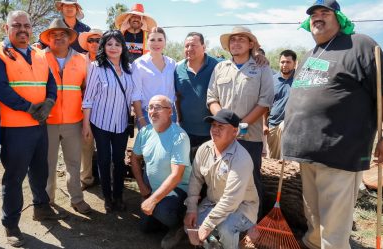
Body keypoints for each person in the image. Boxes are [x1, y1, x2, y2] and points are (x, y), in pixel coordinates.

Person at [282, 0, 383, 248]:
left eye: (324, 13)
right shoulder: (310, 55)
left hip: (340, 151)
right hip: (307, 153)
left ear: (338, 18)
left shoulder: (361, 45)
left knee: (334, 224)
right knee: (313, 215)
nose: (317, 17)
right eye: (313, 14)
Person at [0, 10, 61, 247]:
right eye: (16, 25)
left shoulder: (39, 53)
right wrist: (29, 107)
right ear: (6, 29)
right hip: (15, 128)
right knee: (14, 178)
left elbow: (51, 83)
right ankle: (11, 225)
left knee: (40, 170)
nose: (23, 30)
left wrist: (49, 102)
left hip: (39, 125)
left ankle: (41, 207)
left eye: (27, 25)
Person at [207, 26, 274, 214]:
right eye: (232, 40)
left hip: (249, 138)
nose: (235, 43)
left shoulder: (261, 67)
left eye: (241, 40)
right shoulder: (220, 67)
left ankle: (252, 224)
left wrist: (239, 126)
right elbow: (212, 98)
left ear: (251, 44)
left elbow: (265, 101)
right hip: (222, 136)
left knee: (251, 179)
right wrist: (223, 124)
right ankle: (222, 218)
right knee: (222, 177)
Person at [82, 30, 142, 213]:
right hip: (100, 122)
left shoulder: (130, 70)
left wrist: (141, 118)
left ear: (123, 47)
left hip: (122, 123)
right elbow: (88, 97)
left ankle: (118, 195)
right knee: (104, 160)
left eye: (117, 44)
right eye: (109, 44)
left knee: (119, 160)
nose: (113, 48)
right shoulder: (96, 67)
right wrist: (86, 125)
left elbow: (135, 95)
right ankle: (107, 197)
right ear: (104, 46)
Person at [184, 109, 259, 249]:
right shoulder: (204, 149)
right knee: (190, 225)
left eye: (221, 126)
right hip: (213, 203)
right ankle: (215, 245)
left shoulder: (241, 158)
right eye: (213, 125)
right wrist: (191, 209)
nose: (215, 130)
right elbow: (195, 179)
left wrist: (207, 225)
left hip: (242, 207)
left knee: (225, 227)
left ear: (234, 132)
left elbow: (231, 200)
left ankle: (241, 237)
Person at [40, 18, 91, 214]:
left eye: (63, 35)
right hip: (48, 121)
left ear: (70, 38)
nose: (59, 38)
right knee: (48, 163)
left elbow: (87, 90)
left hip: (73, 121)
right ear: (48, 38)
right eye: (54, 35)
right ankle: (47, 200)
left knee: (74, 163)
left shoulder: (81, 59)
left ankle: (77, 199)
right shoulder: (39, 57)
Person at [131, 95, 191, 249]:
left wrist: (152, 200)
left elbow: (176, 176)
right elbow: (134, 159)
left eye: (157, 107)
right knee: (145, 228)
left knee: (163, 211)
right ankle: (163, 218)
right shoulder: (145, 132)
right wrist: (142, 187)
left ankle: (180, 226)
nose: (152, 111)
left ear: (170, 111)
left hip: (176, 191)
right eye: (150, 107)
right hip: (152, 190)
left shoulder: (179, 136)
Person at [174, 32, 220, 160]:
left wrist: (256, 56)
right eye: (186, 46)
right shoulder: (178, 68)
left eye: (193, 45)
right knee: (187, 171)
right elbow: (177, 96)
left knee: (207, 172)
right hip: (185, 131)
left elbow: (237, 62)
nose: (189, 49)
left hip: (210, 132)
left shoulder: (217, 66)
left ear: (204, 47)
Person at [132, 27, 176, 128]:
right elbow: (136, 95)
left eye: (160, 40)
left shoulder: (172, 63)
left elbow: (174, 91)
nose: (156, 43)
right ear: (147, 42)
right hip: (149, 115)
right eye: (152, 40)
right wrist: (141, 119)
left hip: (170, 114)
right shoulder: (139, 64)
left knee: (170, 143)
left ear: (165, 42)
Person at [77, 28, 103, 190]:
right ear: (86, 44)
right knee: (86, 145)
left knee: (105, 146)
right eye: (90, 40)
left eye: (97, 40)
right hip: (83, 109)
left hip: (104, 109)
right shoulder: (79, 60)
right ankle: (86, 179)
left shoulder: (110, 60)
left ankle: (107, 178)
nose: (94, 43)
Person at [263, 49, 296, 159]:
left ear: (294, 63)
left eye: (288, 62)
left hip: (293, 126)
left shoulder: (299, 81)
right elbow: (265, 104)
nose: (285, 65)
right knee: (274, 160)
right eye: (282, 62)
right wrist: (264, 124)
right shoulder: (272, 80)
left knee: (290, 161)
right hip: (273, 124)